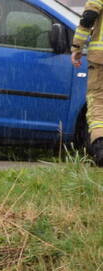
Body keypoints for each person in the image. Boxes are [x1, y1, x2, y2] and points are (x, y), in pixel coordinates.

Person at [72, 0, 103, 166]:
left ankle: (101, 147)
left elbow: (89, 17)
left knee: (97, 103)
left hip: (100, 60)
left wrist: (77, 47)